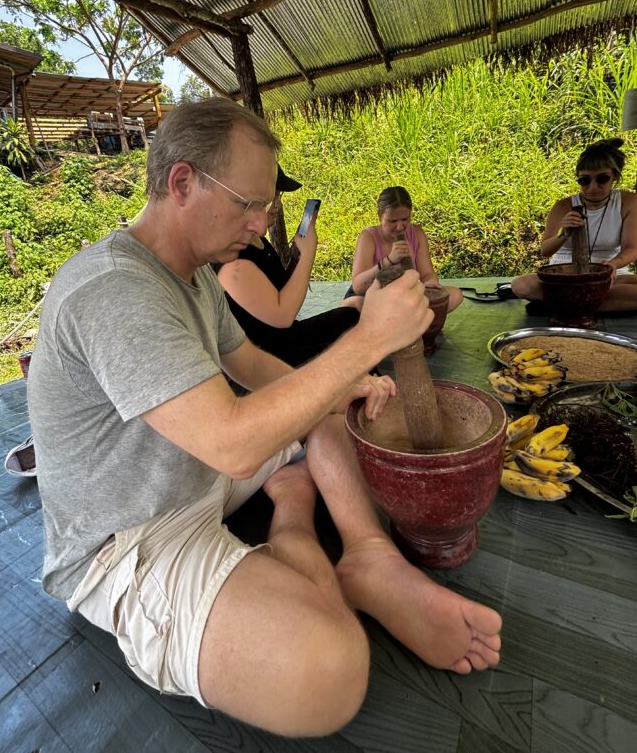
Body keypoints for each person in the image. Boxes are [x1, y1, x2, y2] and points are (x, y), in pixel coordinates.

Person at [28, 98, 501, 738]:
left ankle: (367, 557)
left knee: (326, 404)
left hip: (196, 471)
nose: (260, 224)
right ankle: (294, 516)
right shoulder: (113, 289)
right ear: (183, 182)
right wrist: (365, 342)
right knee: (329, 674)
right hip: (129, 537)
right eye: (248, 203)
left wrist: (345, 384)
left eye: (267, 207)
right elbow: (232, 444)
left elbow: (251, 362)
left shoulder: (195, 276)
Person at [214, 165, 361, 366]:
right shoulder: (233, 261)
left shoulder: (258, 241)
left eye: (278, 196)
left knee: (350, 316)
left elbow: (280, 289)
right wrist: (309, 253)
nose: (276, 205)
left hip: (288, 336)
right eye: (270, 199)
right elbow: (283, 314)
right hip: (268, 356)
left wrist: (295, 260)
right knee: (350, 357)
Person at [512, 138, 637, 311]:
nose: (593, 187)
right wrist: (564, 234)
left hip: (609, 274)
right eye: (585, 181)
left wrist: (613, 264)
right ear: (578, 178)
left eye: (602, 179)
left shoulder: (628, 202)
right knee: (521, 285)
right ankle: (589, 304)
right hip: (564, 276)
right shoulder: (563, 205)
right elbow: (545, 250)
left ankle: (562, 305)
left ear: (614, 176)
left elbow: (632, 248)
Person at [349, 186, 463, 311]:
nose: (399, 227)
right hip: (376, 298)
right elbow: (358, 286)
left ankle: (404, 322)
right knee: (353, 304)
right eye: (392, 221)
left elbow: (427, 273)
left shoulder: (417, 233)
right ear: (380, 217)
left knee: (455, 295)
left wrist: (429, 283)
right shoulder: (368, 237)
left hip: (406, 296)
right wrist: (389, 261)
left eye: (405, 219)